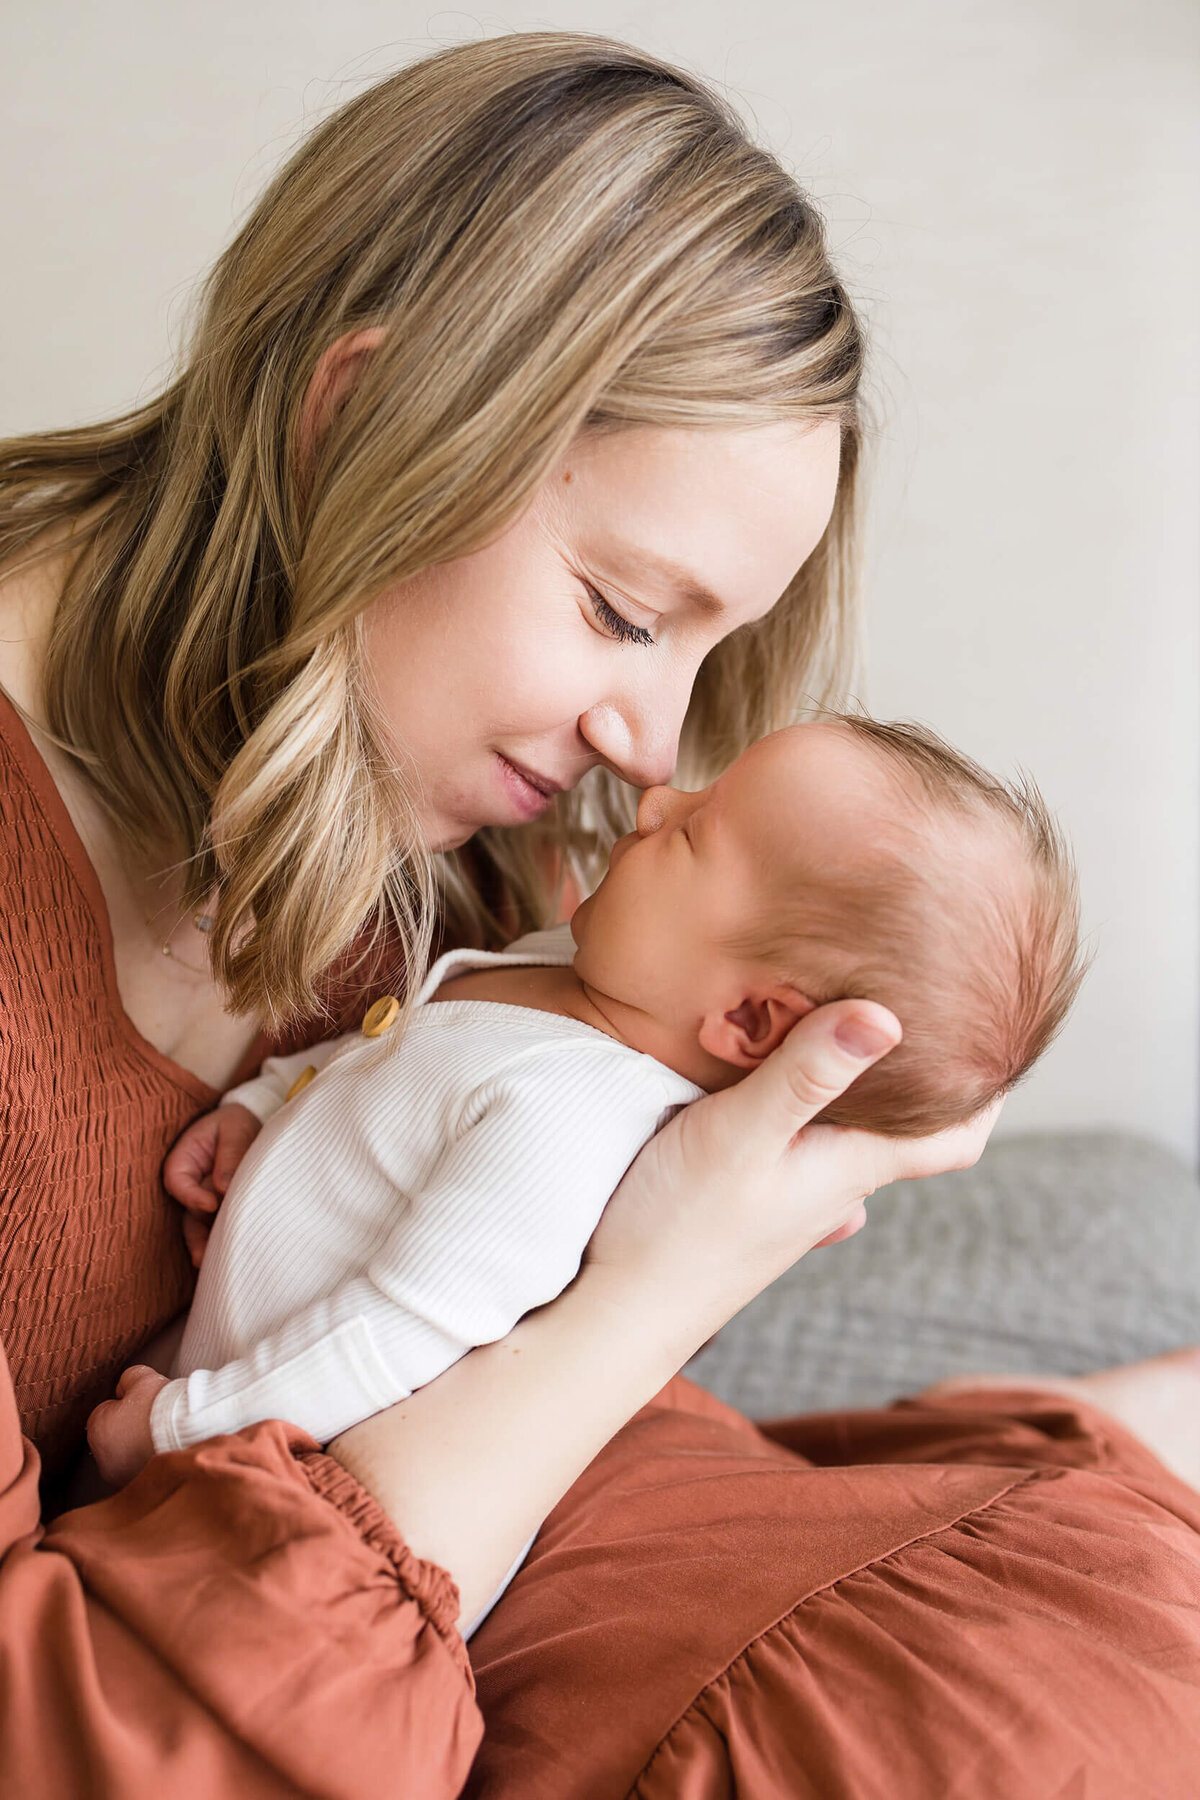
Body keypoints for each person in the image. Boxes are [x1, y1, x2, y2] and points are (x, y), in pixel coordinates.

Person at [1, 32, 1198, 1800]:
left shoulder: (396, 782)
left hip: (474, 1542)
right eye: (627, 612)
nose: (651, 754)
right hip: (264, 1654)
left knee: (1044, 1655)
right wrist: (665, 1287)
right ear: (362, 420)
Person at [86, 713, 1083, 1492]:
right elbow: (389, 1054)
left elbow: (392, 1335)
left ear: (747, 1022)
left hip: (249, 1460)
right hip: (211, 1355)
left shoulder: (568, 1126)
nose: (653, 804)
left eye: (695, 835)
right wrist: (263, 1107)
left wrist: (180, 1429)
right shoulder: (576, 970)